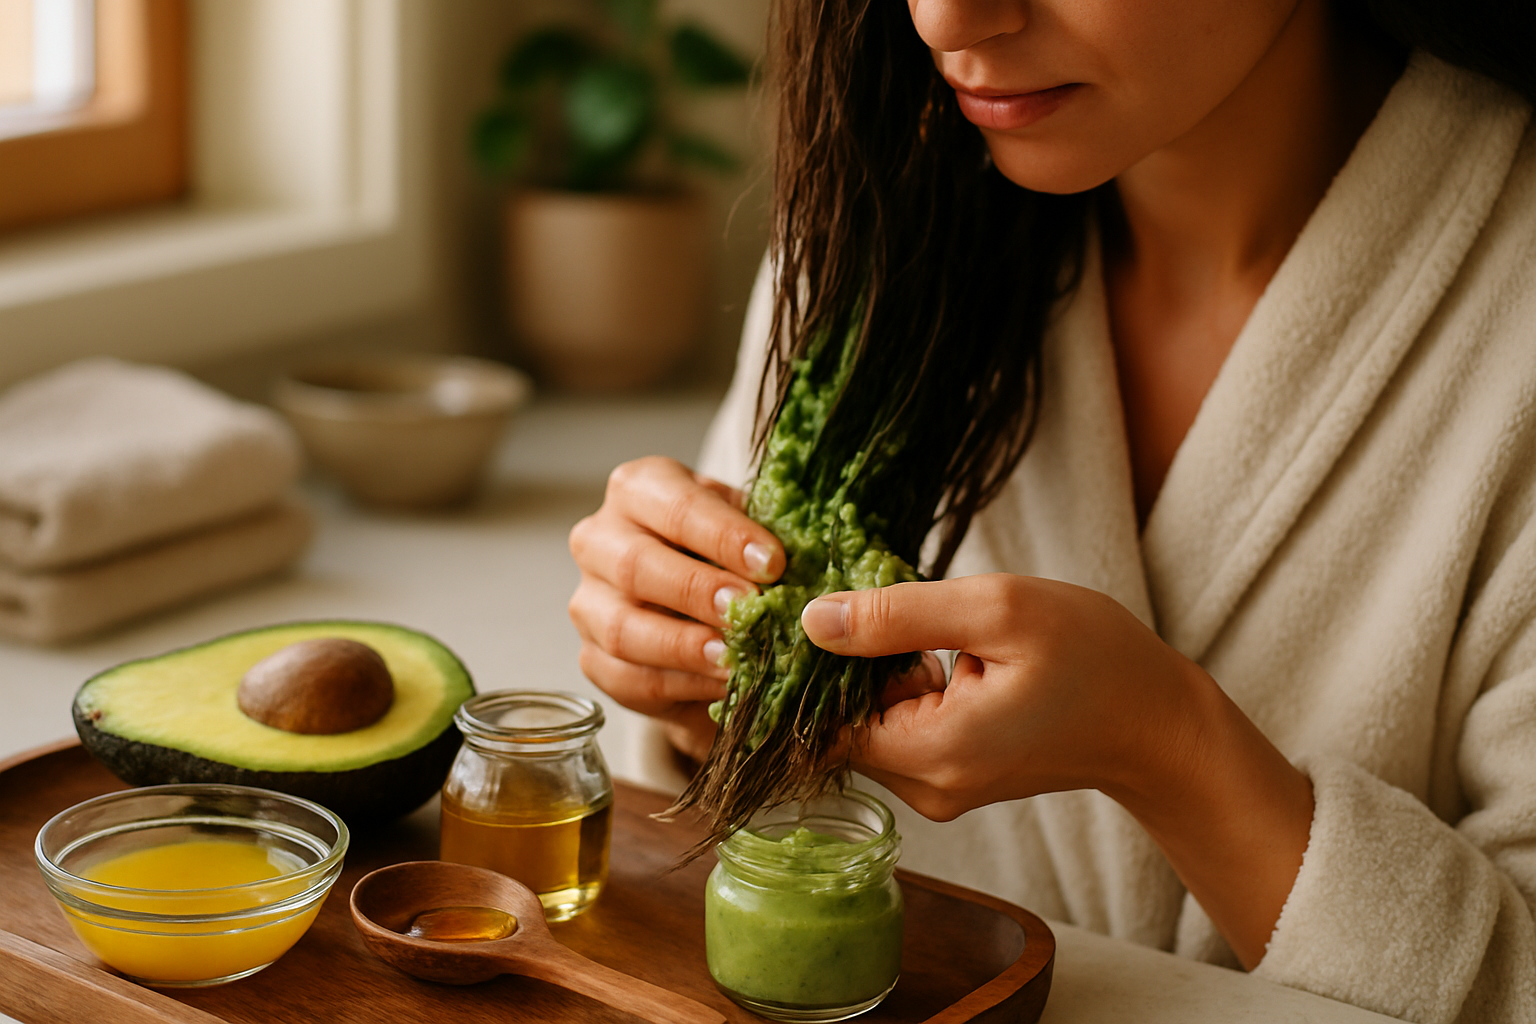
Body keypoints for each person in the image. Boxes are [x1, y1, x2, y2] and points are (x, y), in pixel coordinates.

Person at [567, 1, 1536, 1019]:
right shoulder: (876, 228)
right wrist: (694, 673)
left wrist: (1168, 751)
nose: (944, 15)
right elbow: (762, 842)